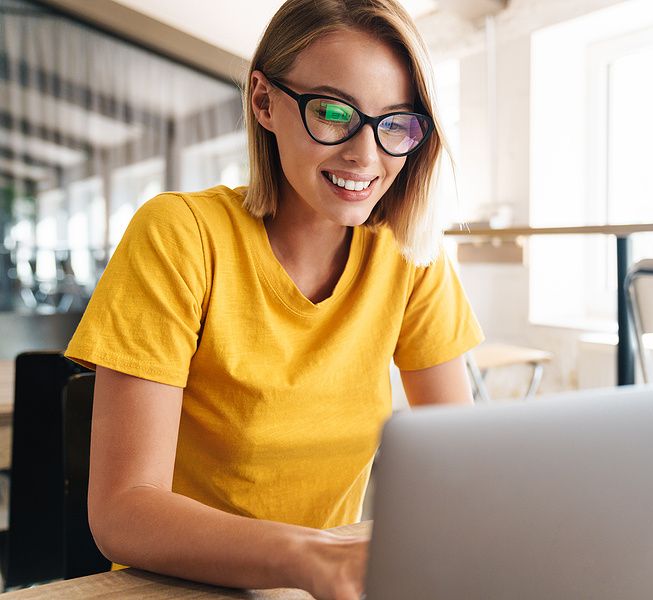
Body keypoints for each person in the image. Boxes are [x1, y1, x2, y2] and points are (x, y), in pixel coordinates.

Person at [64, 1, 483, 598]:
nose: (366, 156)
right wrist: (310, 558)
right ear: (263, 101)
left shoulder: (408, 254)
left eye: (396, 124)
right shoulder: (180, 234)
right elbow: (122, 511)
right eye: (333, 112)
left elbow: (465, 467)